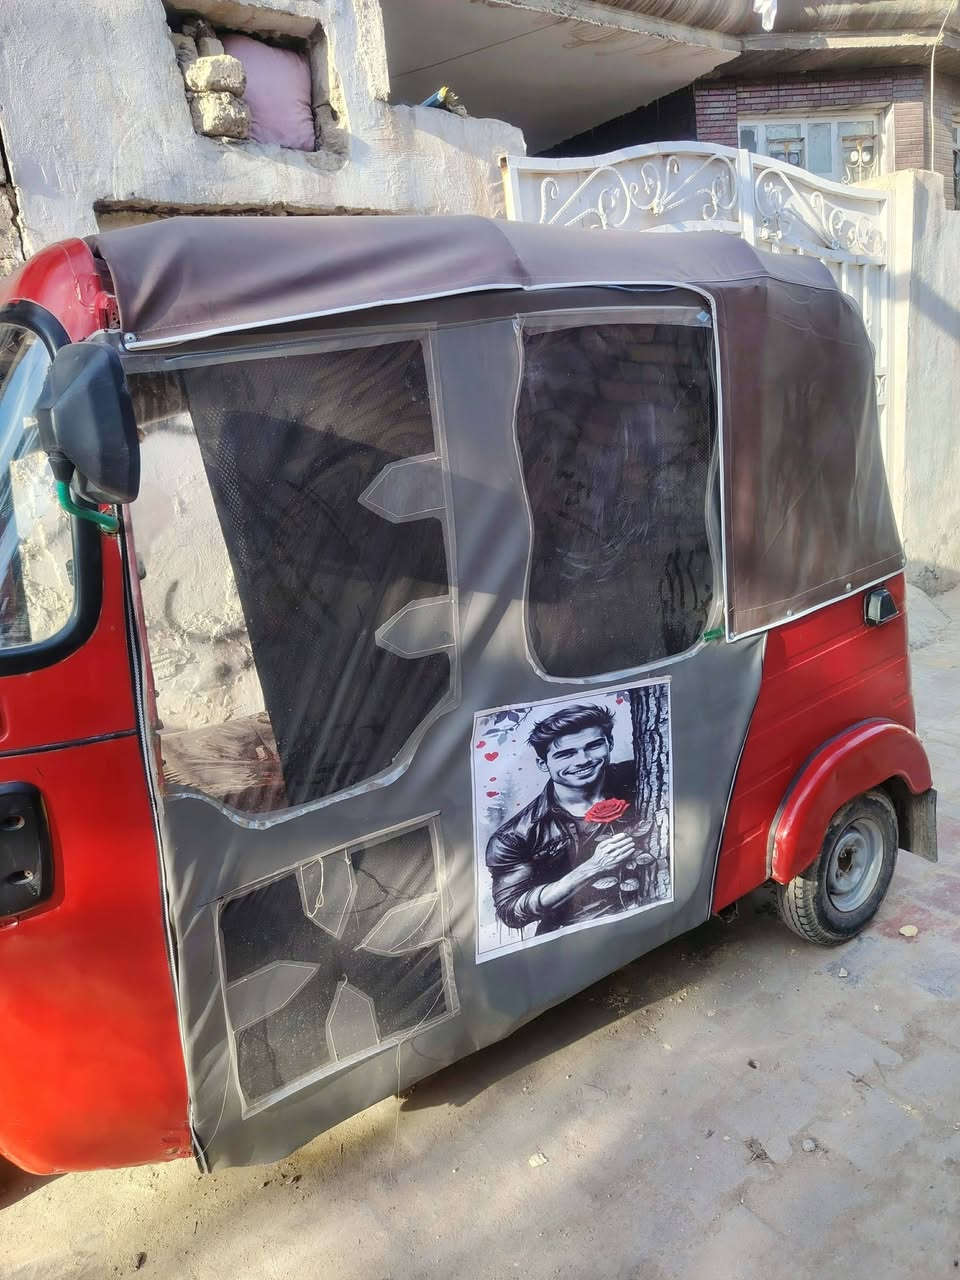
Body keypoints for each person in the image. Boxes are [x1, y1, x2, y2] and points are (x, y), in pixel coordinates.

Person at [485, 703, 654, 938]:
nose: (583, 760)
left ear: (610, 743)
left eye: (593, 746)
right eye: (565, 754)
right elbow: (511, 911)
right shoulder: (514, 836)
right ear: (543, 763)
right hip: (574, 939)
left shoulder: (643, 776)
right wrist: (591, 868)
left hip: (650, 922)